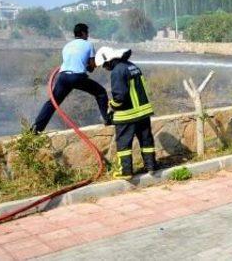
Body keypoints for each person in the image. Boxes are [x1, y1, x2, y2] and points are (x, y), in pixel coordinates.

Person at [32, 23, 111, 133]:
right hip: (77, 77)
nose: (87, 35)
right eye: (87, 33)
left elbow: (70, 61)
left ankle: (36, 129)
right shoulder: (88, 45)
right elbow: (91, 67)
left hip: (63, 77)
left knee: (52, 103)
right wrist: (94, 64)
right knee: (101, 93)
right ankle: (107, 120)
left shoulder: (67, 46)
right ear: (83, 33)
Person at [95, 46, 157, 179]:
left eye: (104, 65)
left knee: (124, 144)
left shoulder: (117, 71)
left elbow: (120, 97)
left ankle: (126, 172)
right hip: (143, 113)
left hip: (128, 115)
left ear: (109, 60)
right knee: (146, 140)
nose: (105, 68)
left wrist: (111, 105)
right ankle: (151, 166)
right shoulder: (132, 66)